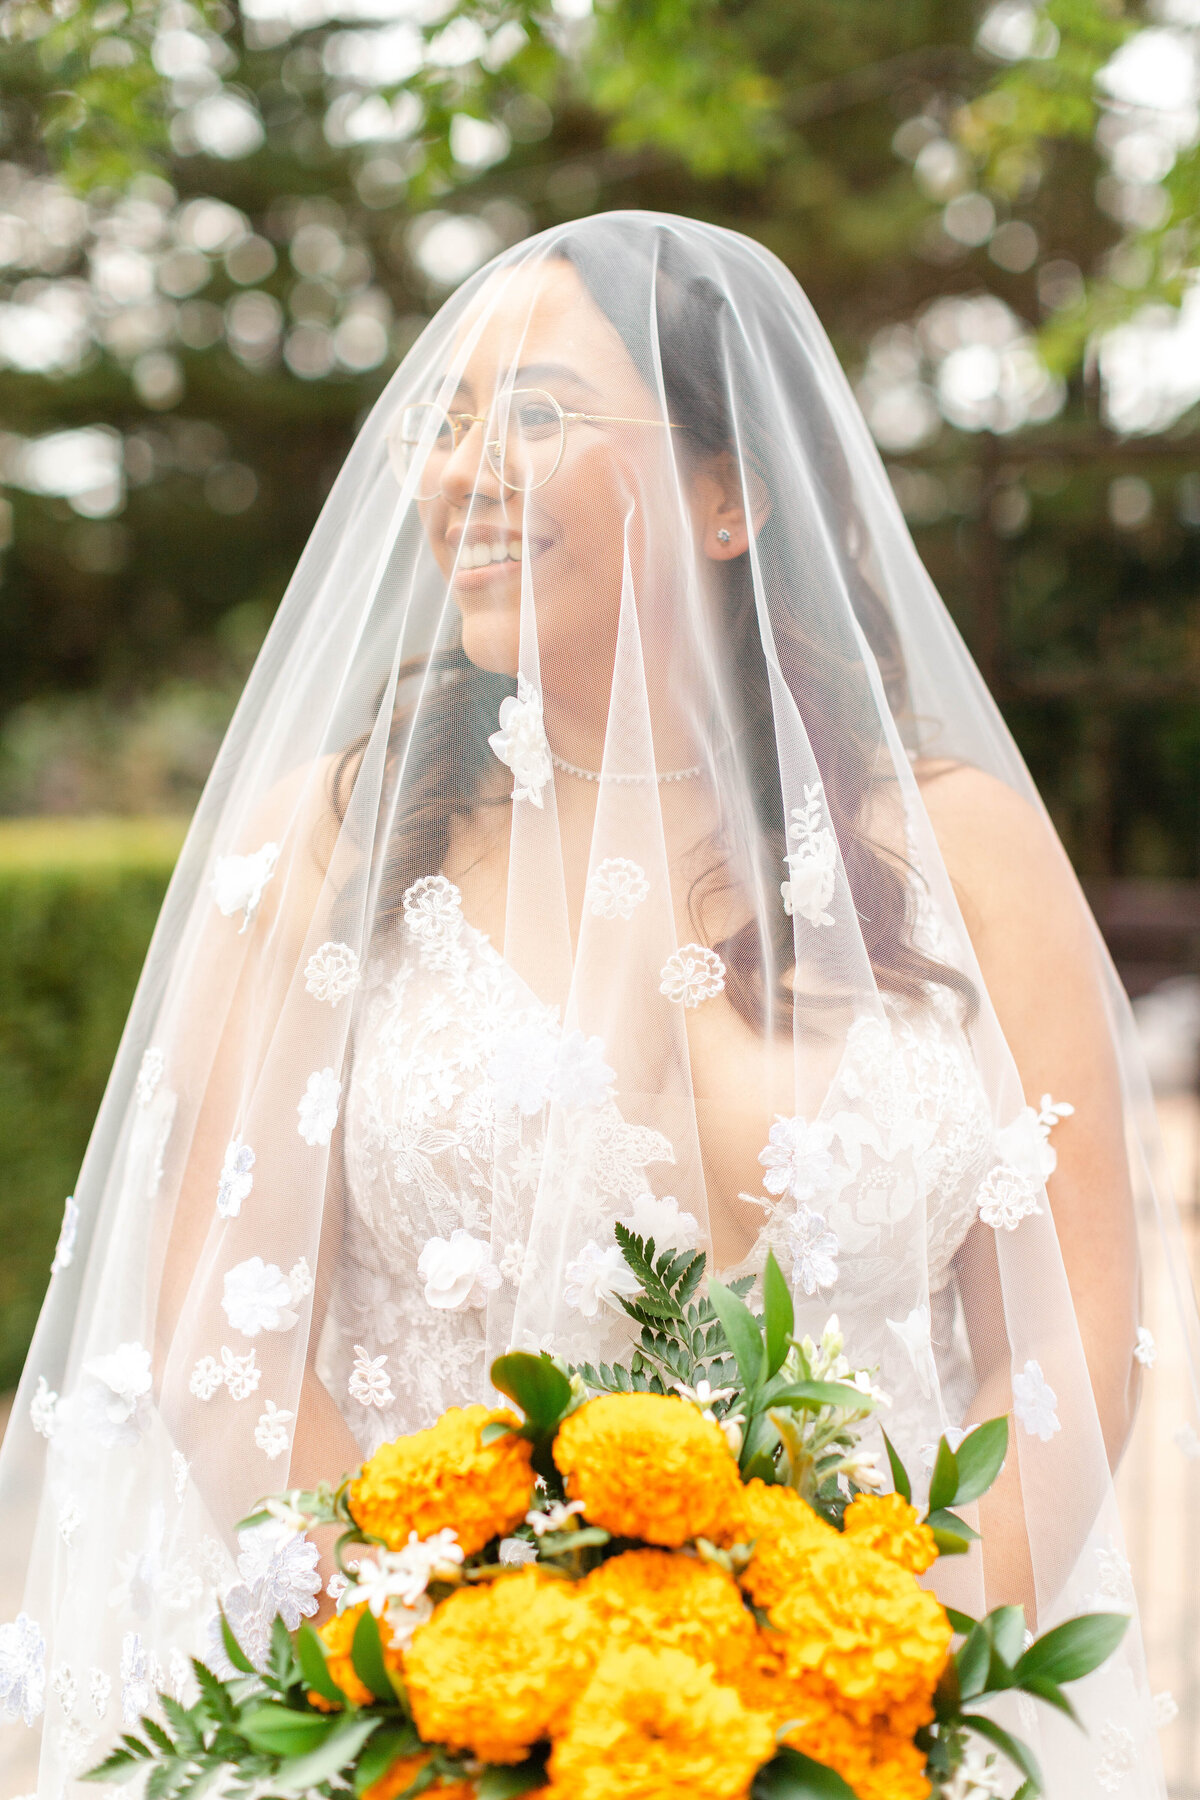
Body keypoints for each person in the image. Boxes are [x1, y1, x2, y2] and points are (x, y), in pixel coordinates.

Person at [0, 212, 1193, 1798]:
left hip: (889, 1727)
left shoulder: (963, 848)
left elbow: (1068, 1337)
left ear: (727, 493)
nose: (463, 471)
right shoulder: (331, 841)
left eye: (542, 415)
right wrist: (450, 1696)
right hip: (421, 1734)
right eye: (450, 420)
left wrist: (879, 1699)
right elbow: (222, 1331)